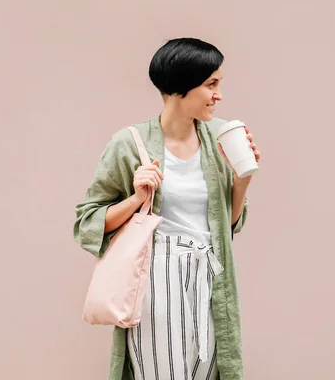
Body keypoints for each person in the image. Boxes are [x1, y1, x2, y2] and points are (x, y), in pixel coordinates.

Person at [73, 37, 260, 380]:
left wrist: (241, 180)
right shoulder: (130, 143)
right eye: (211, 85)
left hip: (211, 276)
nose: (219, 95)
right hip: (157, 275)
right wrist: (136, 198)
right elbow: (88, 220)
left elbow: (227, 227)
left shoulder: (218, 138)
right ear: (179, 88)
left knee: (208, 372)